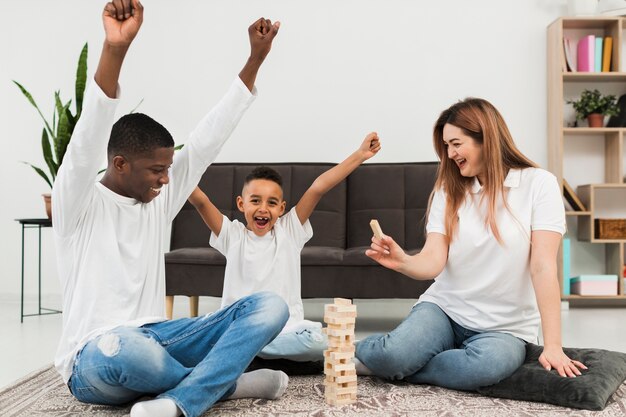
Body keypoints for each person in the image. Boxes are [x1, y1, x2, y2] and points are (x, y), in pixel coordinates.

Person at [52, 2, 290, 417]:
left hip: (160, 335)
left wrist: (254, 59)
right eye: (157, 171)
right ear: (120, 164)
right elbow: (91, 127)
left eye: (168, 170)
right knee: (130, 355)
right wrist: (115, 48)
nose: (167, 180)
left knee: (271, 307)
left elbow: (208, 138)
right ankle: (225, 385)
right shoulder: (78, 203)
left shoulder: (156, 201)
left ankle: (181, 399)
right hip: (96, 355)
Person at [354, 98, 587, 390]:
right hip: (446, 310)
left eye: (456, 143)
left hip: (506, 329)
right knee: (393, 356)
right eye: (446, 146)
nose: (450, 154)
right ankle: (377, 355)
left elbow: (542, 266)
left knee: (484, 367)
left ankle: (395, 365)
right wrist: (403, 261)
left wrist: (553, 345)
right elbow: (433, 261)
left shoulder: (540, 184)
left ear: (485, 139)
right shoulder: (448, 189)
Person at [188, 133, 381, 363]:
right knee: (207, 336)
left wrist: (359, 155)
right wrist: (178, 168)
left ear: (281, 208)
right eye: (255, 201)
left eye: (271, 203)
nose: (263, 209)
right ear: (241, 204)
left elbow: (317, 188)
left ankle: (245, 356)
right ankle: (246, 354)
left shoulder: (289, 231)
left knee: (313, 341)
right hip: (240, 332)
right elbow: (201, 201)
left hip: (286, 335)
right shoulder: (233, 236)